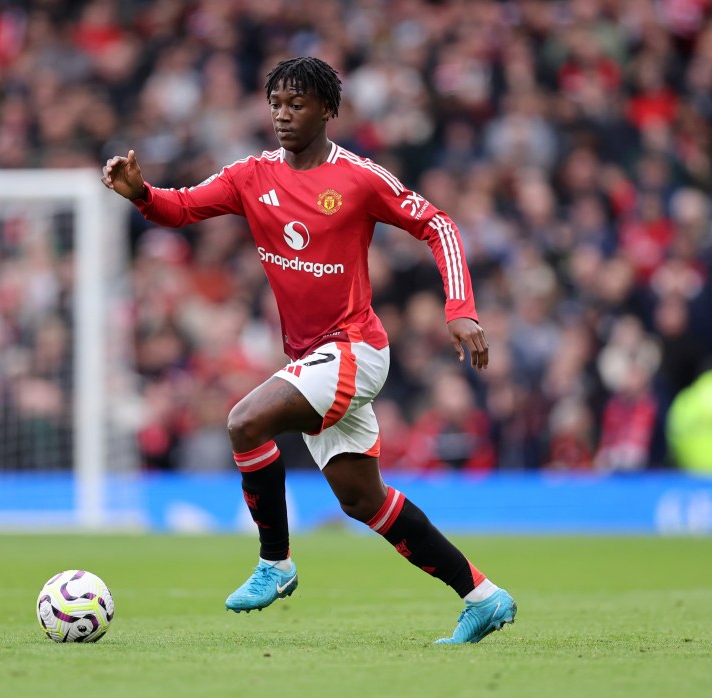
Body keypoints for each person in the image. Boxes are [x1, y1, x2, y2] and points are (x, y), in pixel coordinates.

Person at [102, 56, 515, 644]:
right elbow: (184, 206)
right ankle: (482, 595)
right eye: (276, 104)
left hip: (354, 349)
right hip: (313, 360)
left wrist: (460, 310)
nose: (283, 115)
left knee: (245, 423)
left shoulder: (359, 177)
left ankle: (275, 563)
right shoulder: (252, 176)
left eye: (296, 104)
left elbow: (439, 225)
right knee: (362, 500)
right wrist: (141, 192)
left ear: (327, 109)